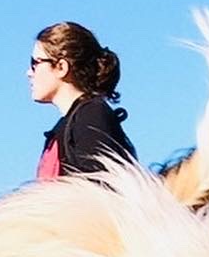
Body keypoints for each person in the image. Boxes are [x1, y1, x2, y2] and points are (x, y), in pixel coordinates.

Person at [30, 22, 136, 179]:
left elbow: (104, 189)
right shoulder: (74, 122)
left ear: (61, 67)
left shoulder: (91, 116)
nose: (29, 73)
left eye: (35, 63)